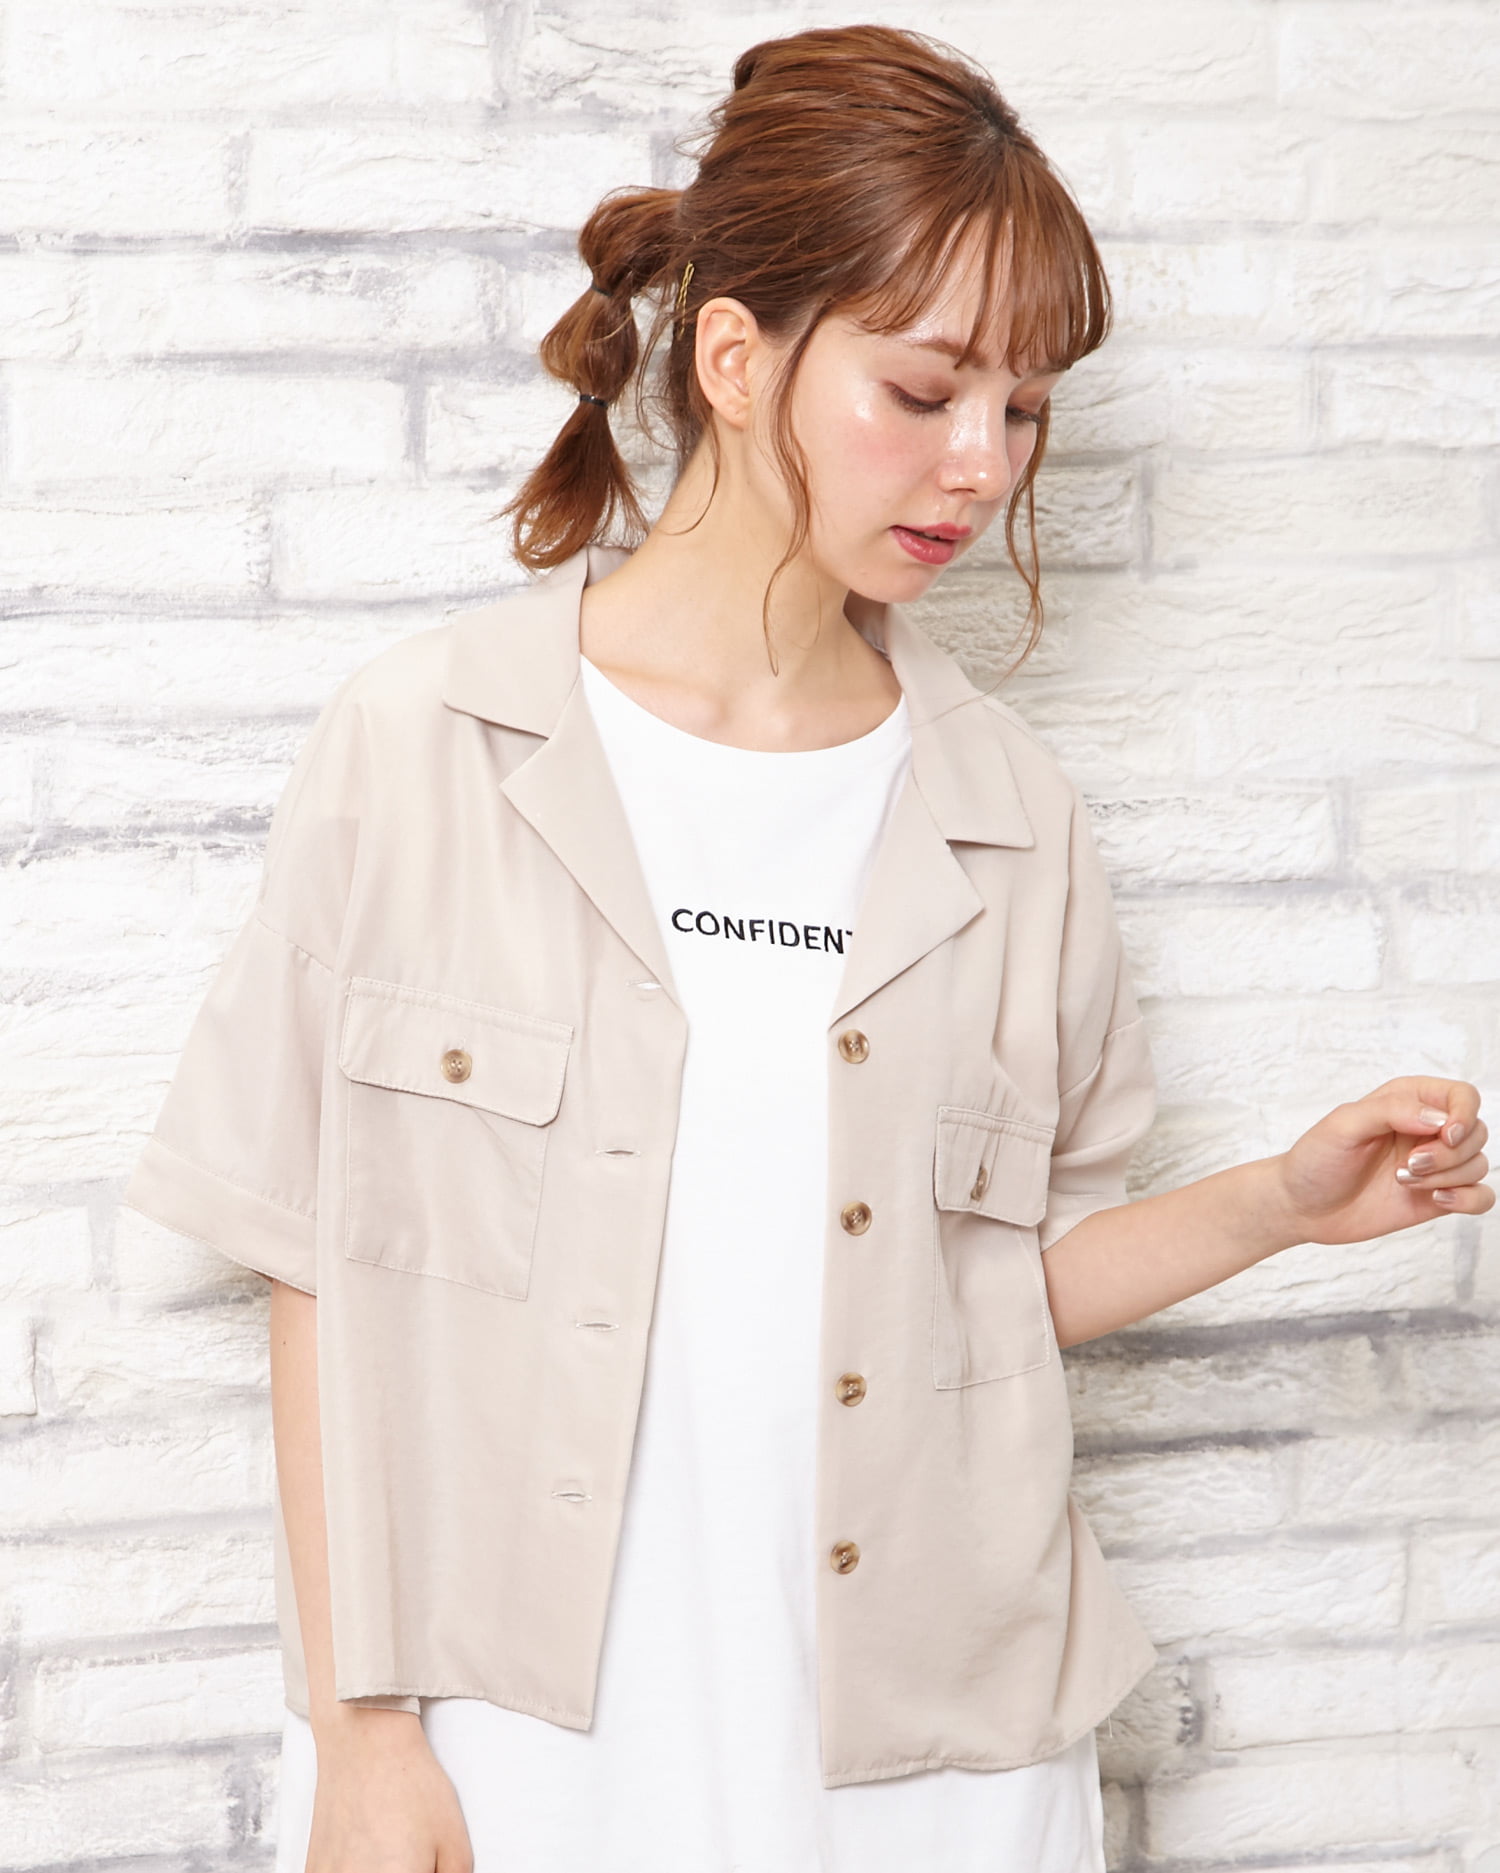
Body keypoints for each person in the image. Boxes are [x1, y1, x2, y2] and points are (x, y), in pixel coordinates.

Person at [121, 23, 1492, 1873]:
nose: (982, 464)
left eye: (1024, 409)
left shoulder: (1012, 818)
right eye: (925, 391)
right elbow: (311, 1255)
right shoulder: (428, 746)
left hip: (932, 1760)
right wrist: (365, 1736)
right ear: (735, 356)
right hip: (518, 1736)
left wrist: (1278, 1206)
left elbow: (992, 1293)